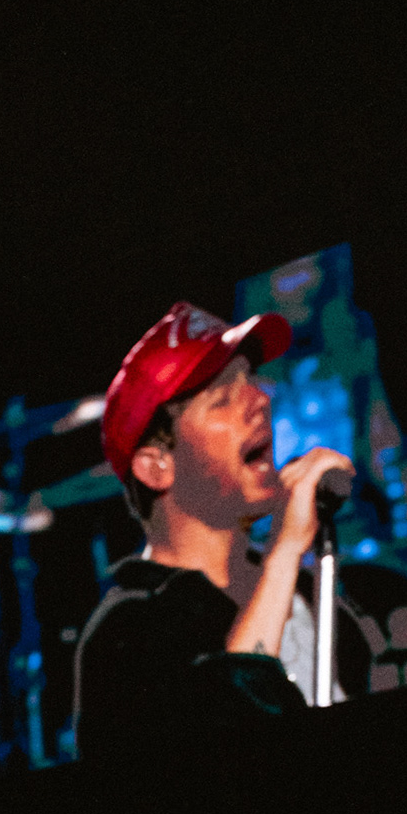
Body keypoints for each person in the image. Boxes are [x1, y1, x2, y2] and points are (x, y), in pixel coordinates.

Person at [73, 302, 360, 760]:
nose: (260, 400)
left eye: (252, 382)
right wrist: (284, 551)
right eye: (223, 398)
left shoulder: (312, 591)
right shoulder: (128, 634)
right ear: (157, 466)